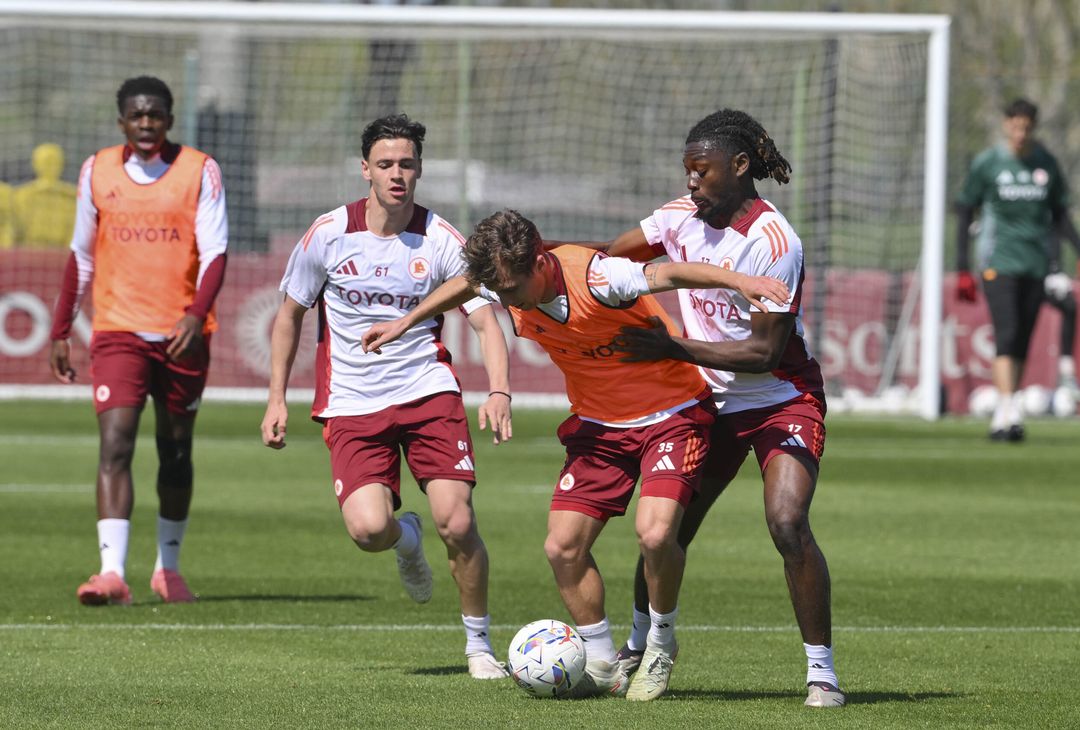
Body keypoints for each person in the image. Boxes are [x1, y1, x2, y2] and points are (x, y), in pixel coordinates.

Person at [363, 208, 790, 700]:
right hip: (598, 427)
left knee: (654, 536)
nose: (504, 301)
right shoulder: (504, 281)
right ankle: (605, 664)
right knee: (561, 548)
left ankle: (660, 643)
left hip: (672, 415)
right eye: (497, 292)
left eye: (511, 291)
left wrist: (740, 281)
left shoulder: (600, 276)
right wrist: (406, 321)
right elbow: (465, 286)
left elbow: (668, 271)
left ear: (541, 263)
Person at [546, 109, 843, 708]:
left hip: (782, 399)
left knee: (787, 524)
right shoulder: (679, 218)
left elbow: (763, 352)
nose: (690, 182)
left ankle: (822, 674)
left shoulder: (773, 243)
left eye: (701, 170)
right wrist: (544, 265)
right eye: (686, 170)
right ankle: (641, 646)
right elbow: (606, 259)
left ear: (739, 167)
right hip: (706, 401)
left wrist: (672, 345)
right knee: (666, 530)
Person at [260, 114, 512, 680]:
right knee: (370, 530)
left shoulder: (442, 239)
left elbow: (486, 322)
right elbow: (289, 315)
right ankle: (406, 539)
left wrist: (499, 389)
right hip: (352, 400)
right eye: (386, 164)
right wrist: (277, 398)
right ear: (365, 169)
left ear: (419, 169)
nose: (397, 174)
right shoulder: (328, 233)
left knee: (458, 520)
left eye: (407, 164)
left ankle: (479, 647)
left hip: (427, 393)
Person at [48, 76, 229, 605]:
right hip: (117, 331)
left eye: (155, 114)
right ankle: (110, 573)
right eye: (136, 115)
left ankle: (167, 569)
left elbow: (216, 253)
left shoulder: (201, 170)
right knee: (116, 443)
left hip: (181, 335)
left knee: (175, 451)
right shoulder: (96, 169)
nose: (146, 124)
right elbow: (80, 255)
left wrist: (196, 315)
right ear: (122, 120)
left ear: (170, 119)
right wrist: (61, 329)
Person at [956, 98, 1080, 440]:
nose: (1021, 133)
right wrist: (962, 266)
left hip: (1035, 265)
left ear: (1033, 127)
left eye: (1027, 127)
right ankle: (1006, 409)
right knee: (1007, 332)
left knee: (1023, 337)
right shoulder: (989, 163)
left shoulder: (1046, 164)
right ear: (1007, 125)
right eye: (1016, 126)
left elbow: (1060, 213)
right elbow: (965, 207)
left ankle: (1010, 409)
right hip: (998, 263)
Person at [12, 142, 78, 248]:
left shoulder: (71, 197)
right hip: (28, 251)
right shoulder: (21, 196)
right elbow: (14, 231)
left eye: (54, 162)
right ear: (35, 164)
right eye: (46, 162)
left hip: (61, 253)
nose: (50, 166)